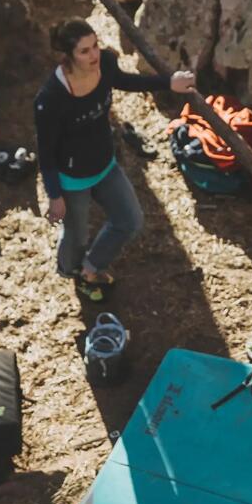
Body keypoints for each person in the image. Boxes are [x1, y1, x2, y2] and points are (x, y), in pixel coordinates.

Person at [34, 19, 194, 302]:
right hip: (72, 180)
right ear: (68, 56)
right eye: (84, 51)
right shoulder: (51, 99)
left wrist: (169, 82)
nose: (94, 54)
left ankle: (90, 267)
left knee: (129, 220)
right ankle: (71, 272)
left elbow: (125, 81)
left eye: (95, 45)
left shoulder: (105, 63)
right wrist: (55, 196)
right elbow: (46, 154)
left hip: (105, 165)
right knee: (76, 236)